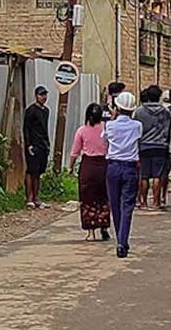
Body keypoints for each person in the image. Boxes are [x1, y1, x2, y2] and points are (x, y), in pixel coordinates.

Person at [104, 91, 143, 258]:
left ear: (117, 108)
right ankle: (122, 240)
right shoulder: (137, 125)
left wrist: (113, 118)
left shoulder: (110, 125)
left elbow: (104, 139)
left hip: (113, 166)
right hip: (130, 167)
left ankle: (121, 239)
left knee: (115, 204)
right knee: (127, 205)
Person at [70, 103, 111, 241]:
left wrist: (70, 167)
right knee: (103, 197)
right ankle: (104, 226)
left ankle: (90, 231)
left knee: (87, 198)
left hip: (88, 166)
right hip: (103, 166)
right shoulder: (106, 129)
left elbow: (74, 153)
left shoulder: (81, 130)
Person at [134, 85, 171, 210]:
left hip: (144, 146)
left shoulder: (139, 111)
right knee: (157, 176)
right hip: (160, 146)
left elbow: (136, 131)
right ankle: (156, 202)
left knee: (144, 176)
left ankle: (144, 202)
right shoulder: (165, 112)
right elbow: (168, 130)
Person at [23, 86, 52, 209]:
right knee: (31, 171)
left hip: (43, 145)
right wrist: (28, 144)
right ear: (36, 96)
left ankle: (37, 197)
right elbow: (26, 128)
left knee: (39, 172)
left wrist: (47, 144)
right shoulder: (31, 110)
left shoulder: (46, 111)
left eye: (45, 95)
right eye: (41, 95)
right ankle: (29, 198)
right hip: (33, 144)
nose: (43, 97)